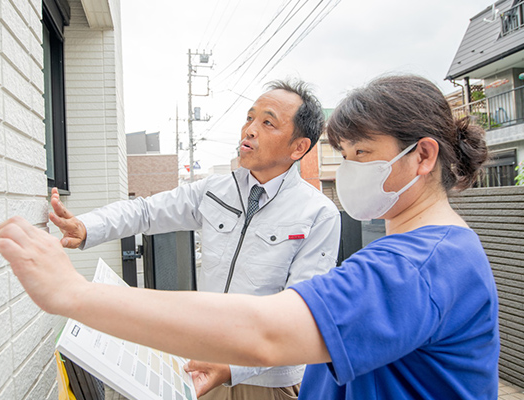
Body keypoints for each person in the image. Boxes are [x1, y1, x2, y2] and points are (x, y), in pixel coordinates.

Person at [0, 74, 500, 399]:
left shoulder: (417, 262)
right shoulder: (416, 252)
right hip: (215, 362)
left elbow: (272, 329)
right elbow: (148, 211)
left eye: (360, 155)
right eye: (342, 154)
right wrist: (90, 227)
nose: (346, 170)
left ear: (424, 157)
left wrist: (74, 295)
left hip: (268, 375)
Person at [48, 79, 342, 399]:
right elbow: (146, 212)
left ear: (299, 147)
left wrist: (234, 369)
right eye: (249, 117)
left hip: (267, 382)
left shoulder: (319, 214)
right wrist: (88, 227)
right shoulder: (214, 190)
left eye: (267, 122)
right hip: (204, 365)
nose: (250, 130)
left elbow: (300, 314)